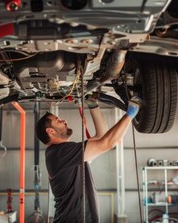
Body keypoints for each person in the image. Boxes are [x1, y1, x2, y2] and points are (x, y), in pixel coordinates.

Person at [35, 95, 142, 223]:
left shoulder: (62, 152)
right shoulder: (60, 153)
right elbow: (108, 142)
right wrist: (129, 114)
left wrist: (93, 106)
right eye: (58, 120)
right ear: (50, 131)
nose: (64, 121)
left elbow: (103, 137)